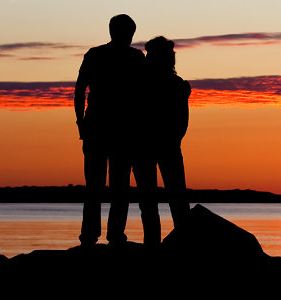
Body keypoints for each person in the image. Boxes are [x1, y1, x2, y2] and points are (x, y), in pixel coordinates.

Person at [74, 14, 144, 246]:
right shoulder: (133, 57)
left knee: (105, 186)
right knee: (113, 186)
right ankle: (104, 235)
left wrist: (80, 121)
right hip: (111, 129)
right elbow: (80, 89)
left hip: (109, 128)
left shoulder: (99, 55)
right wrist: (80, 121)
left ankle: (99, 235)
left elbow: (79, 90)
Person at [132, 36, 192, 247]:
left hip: (159, 146)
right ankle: (163, 243)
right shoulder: (171, 84)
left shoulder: (173, 84)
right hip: (151, 146)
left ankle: (163, 243)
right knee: (163, 199)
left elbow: (182, 121)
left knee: (164, 199)